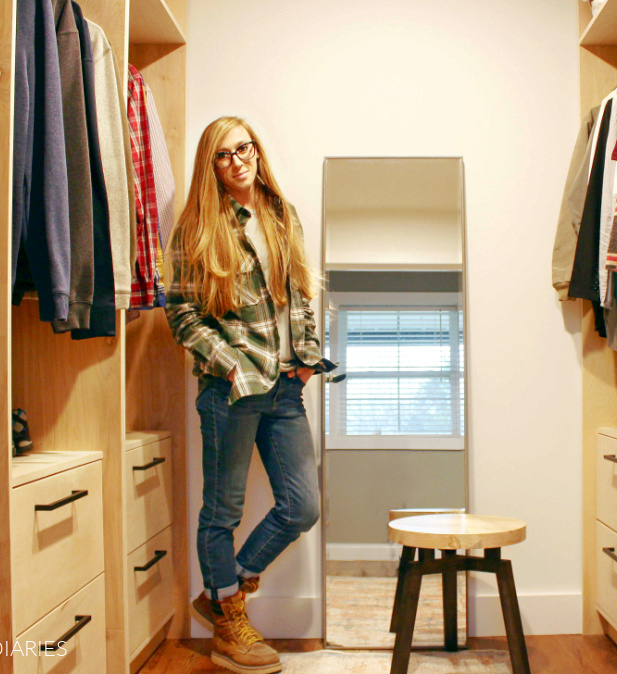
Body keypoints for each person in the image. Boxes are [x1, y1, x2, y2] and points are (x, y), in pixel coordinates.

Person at [166, 116, 334, 674]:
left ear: (257, 152)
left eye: (244, 149)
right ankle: (231, 626)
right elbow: (183, 314)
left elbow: (300, 292)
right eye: (223, 155)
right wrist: (234, 366)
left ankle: (223, 593)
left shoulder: (283, 216)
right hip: (231, 391)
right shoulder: (196, 228)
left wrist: (308, 358)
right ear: (210, 166)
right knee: (223, 511)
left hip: (286, 386)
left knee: (301, 506)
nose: (237, 161)